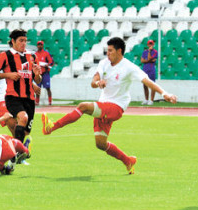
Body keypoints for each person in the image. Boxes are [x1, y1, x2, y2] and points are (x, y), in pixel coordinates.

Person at [41, 37, 177, 174]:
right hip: (103, 106)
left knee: (83, 106)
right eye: (107, 50)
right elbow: (93, 81)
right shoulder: (104, 63)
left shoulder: (129, 67)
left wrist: (165, 93)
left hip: (116, 108)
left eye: (110, 51)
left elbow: (147, 81)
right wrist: (98, 83)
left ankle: (52, 127)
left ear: (119, 51)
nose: (108, 53)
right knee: (100, 144)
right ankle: (128, 161)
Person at [0, 29, 42, 144]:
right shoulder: (5, 56)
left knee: (25, 134)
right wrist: (8, 75)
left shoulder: (32, 56)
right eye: (20, 40)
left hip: (30, 99)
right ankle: (16, 153)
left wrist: (37, 75)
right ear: (13, 41)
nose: (23, 43)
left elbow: (38, 80)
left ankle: (18, 154)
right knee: (22, 118)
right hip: (13, 96)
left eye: (25, 41)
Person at [35, 40, 54, 105]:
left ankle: (50, 102)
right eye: (38, 44)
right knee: (38, 88)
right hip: (38, 73)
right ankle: (37, 102)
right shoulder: (35, 54)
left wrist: (47, 65)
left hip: (45, 73)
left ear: (43, 46)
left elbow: (51, 62)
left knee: (48, 88)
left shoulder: (46, 53)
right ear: (37, 46)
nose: (39, 46)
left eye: (41, 45)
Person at [140, 40, 158, 105]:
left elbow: (151, 59)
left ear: (153, 45)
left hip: (151, 69)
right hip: (145, 69)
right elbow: (142, 60)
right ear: (147, 45)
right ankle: (146, 99)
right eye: (149, 44)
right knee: (145, 84)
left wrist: (149, 52)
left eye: (151, 44)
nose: (150, 45)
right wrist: (148, 60)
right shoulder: (144, 52)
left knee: (153, 85)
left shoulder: (155, 52)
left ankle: (151, 100)